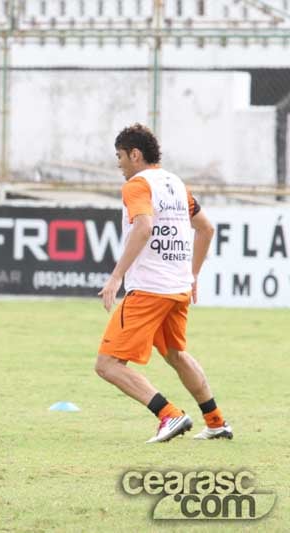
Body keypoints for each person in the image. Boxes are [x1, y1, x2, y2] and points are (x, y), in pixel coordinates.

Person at [95, 123, 232, 443]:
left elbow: (143, 227)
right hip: (178, 288)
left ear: (135, 154)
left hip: (150, 289)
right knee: (175, 354)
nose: (119, 165)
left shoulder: (137, 185)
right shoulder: (175, 183)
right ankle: (216, 422)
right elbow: (206, 229)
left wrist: (116, 277)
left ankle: (169, 415)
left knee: (108, 365)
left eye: (120, 157)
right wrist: (193, 274)